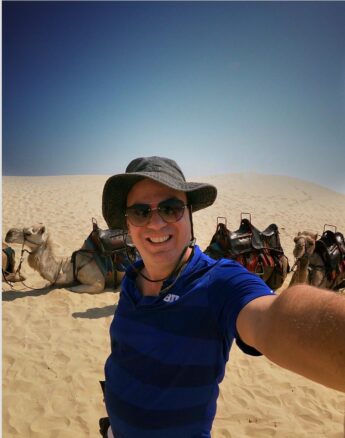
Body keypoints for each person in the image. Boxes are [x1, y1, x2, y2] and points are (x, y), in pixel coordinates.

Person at [101, 156, 345, 438]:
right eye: (141, 213)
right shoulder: (132, 279)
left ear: (190, 213)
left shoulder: (218, 283)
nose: (156, 223)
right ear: (129, 225)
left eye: (170, 209)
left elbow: (272, 318)